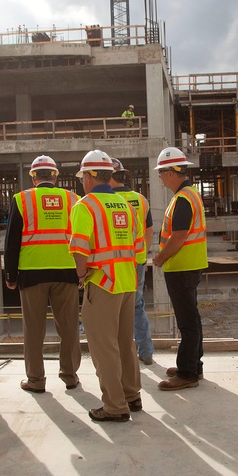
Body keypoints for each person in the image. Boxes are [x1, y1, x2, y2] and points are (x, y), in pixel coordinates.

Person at [69, 150, 142, 421]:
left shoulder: (85, 206)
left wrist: (80, 275)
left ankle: (114, 406)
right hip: (126, 281)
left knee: (104, 347)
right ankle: (132, 396)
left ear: (88, 177)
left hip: (101, 282)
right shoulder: (125, 204)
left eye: (82, 177)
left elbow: (79, 247)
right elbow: (137, 245)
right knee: (125, 342)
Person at [4, 155, 82, 393]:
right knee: (68, 326)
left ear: (33, 177)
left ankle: (36, 380)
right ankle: (69, 376)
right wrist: (82, 269)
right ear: (55, 176)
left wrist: (11, 274)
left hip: (32, 273)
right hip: (67, 271)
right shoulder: (73, 199)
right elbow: (81, 236)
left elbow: (12, 241)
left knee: (33, 328)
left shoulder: (22, 199)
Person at [152, 146, 207, 391]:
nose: (160, 177)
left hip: (181, 267)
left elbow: (179, 236)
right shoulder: (188, 194)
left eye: (162, 172)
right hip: (188, 265)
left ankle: (187, 373)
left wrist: (161, 258)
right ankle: (194, 365)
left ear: (172, 172)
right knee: (192, 319)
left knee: (187, 322)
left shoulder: (183, 199)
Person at [109, 157, 155, 364]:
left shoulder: (104, 201)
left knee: (113, 307)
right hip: (137, 260)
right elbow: (149, 231)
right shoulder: (140, 199)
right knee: (136, 306)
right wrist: (142, 255)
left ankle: (119, 354)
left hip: (112, 261)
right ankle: (145, 352)